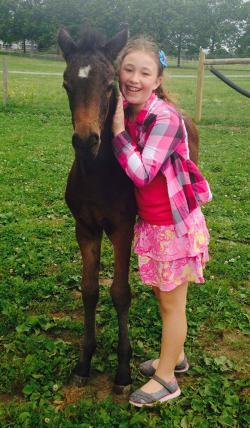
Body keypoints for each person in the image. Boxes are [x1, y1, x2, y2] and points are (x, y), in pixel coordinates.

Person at [112, 37, 212, 407]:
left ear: (157, 80)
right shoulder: (130, 108)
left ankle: (167, 378)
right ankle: (176, 356)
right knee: (162, 295)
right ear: (118, 72)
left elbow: (142, 173)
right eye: (129, 69)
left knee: (172, 306)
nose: (135, 78)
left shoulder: (164, 117)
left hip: (174, 227)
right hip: (154, 224)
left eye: (145, 72)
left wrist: (119, 133)